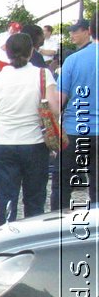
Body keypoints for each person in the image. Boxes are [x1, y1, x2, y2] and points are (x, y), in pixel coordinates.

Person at [0, 32, 61, 225]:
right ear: (32, 50)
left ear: (7, 53)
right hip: (35, 144)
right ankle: (33, 242)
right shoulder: (43, 75)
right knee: (35, 200)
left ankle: (8, 242)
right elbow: (55, 109)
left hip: (4, 144)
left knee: (7, 199)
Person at [56, 16, 96, 211]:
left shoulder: (73, 60)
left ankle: (57, 227)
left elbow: (58, 101)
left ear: (90, 30)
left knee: (62, 185)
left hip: (74, 130)